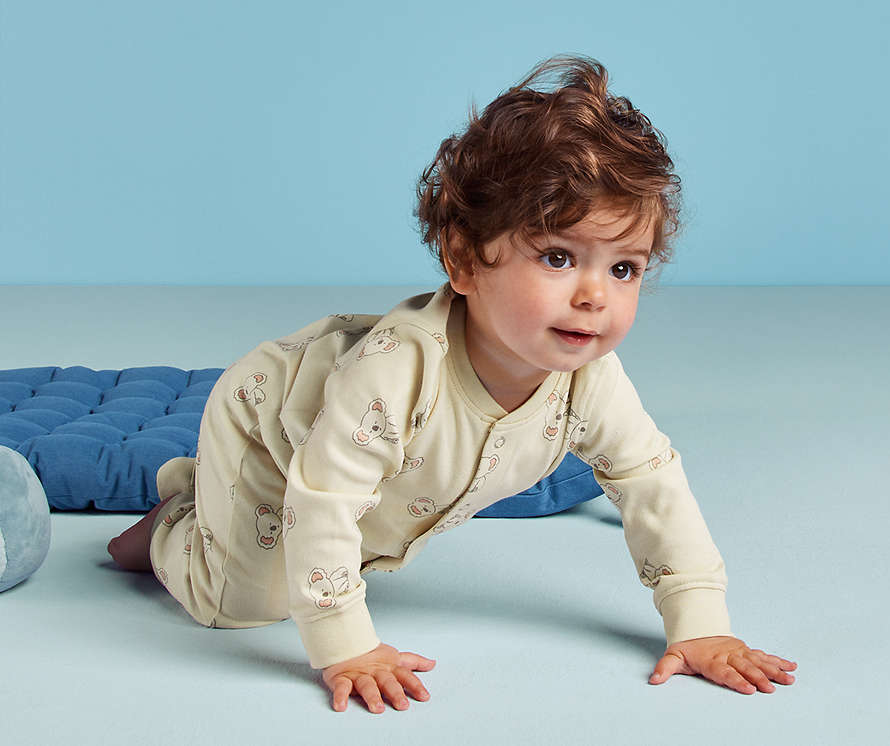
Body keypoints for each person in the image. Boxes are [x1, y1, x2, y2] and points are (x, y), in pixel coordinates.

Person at [108, 54, 797, 713]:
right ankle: (174, 524)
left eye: (624, 268)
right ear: (466, 262)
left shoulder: (589, 379)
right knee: (242, 601)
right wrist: (348, 647)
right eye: (559, 257)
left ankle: (202, 509)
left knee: (358, 541)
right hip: (273, 429)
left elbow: (654, 486)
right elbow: (322, 500)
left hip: (369, 475)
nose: (595, 295)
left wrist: (699, 621)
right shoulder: (398, 374)